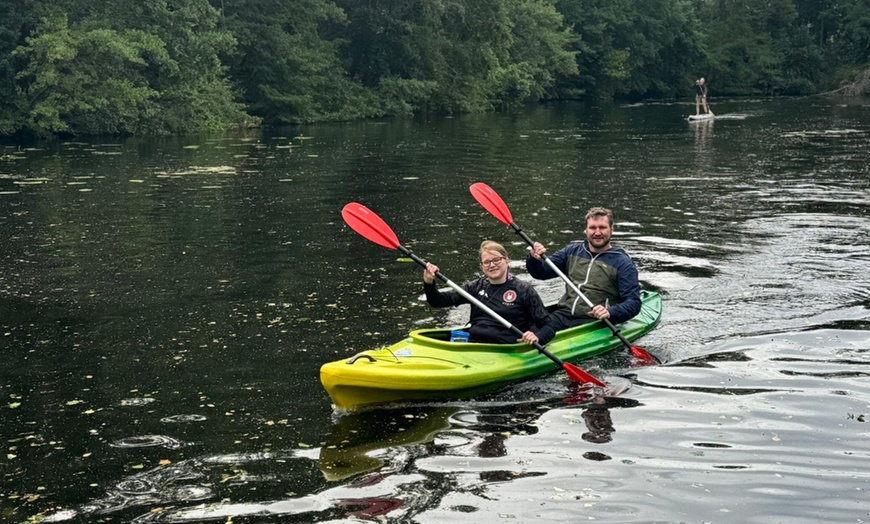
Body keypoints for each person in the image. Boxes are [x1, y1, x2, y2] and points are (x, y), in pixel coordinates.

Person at [526, 207, 641, 346]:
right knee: (528, 332)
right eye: (592, 228)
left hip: (594, 321)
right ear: (586, 230)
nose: (597, 232)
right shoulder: (571, 251)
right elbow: (541, 273)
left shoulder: (623, 263)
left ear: (612, 229)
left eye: (602, 227)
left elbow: (634, 302)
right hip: (563, 315)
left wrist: (610, 312)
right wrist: (534, 258)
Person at [423, 240, 549, 345]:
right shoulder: (475, 287)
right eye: (487, 262)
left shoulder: (524, 290)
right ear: (482, 266)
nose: (492, 265)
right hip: (475, 345)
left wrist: (536, 337)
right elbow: (437, 301)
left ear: (507, 261)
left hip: (505, 348)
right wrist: (429, 282)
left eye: (496, 260)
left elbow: (548, 327)